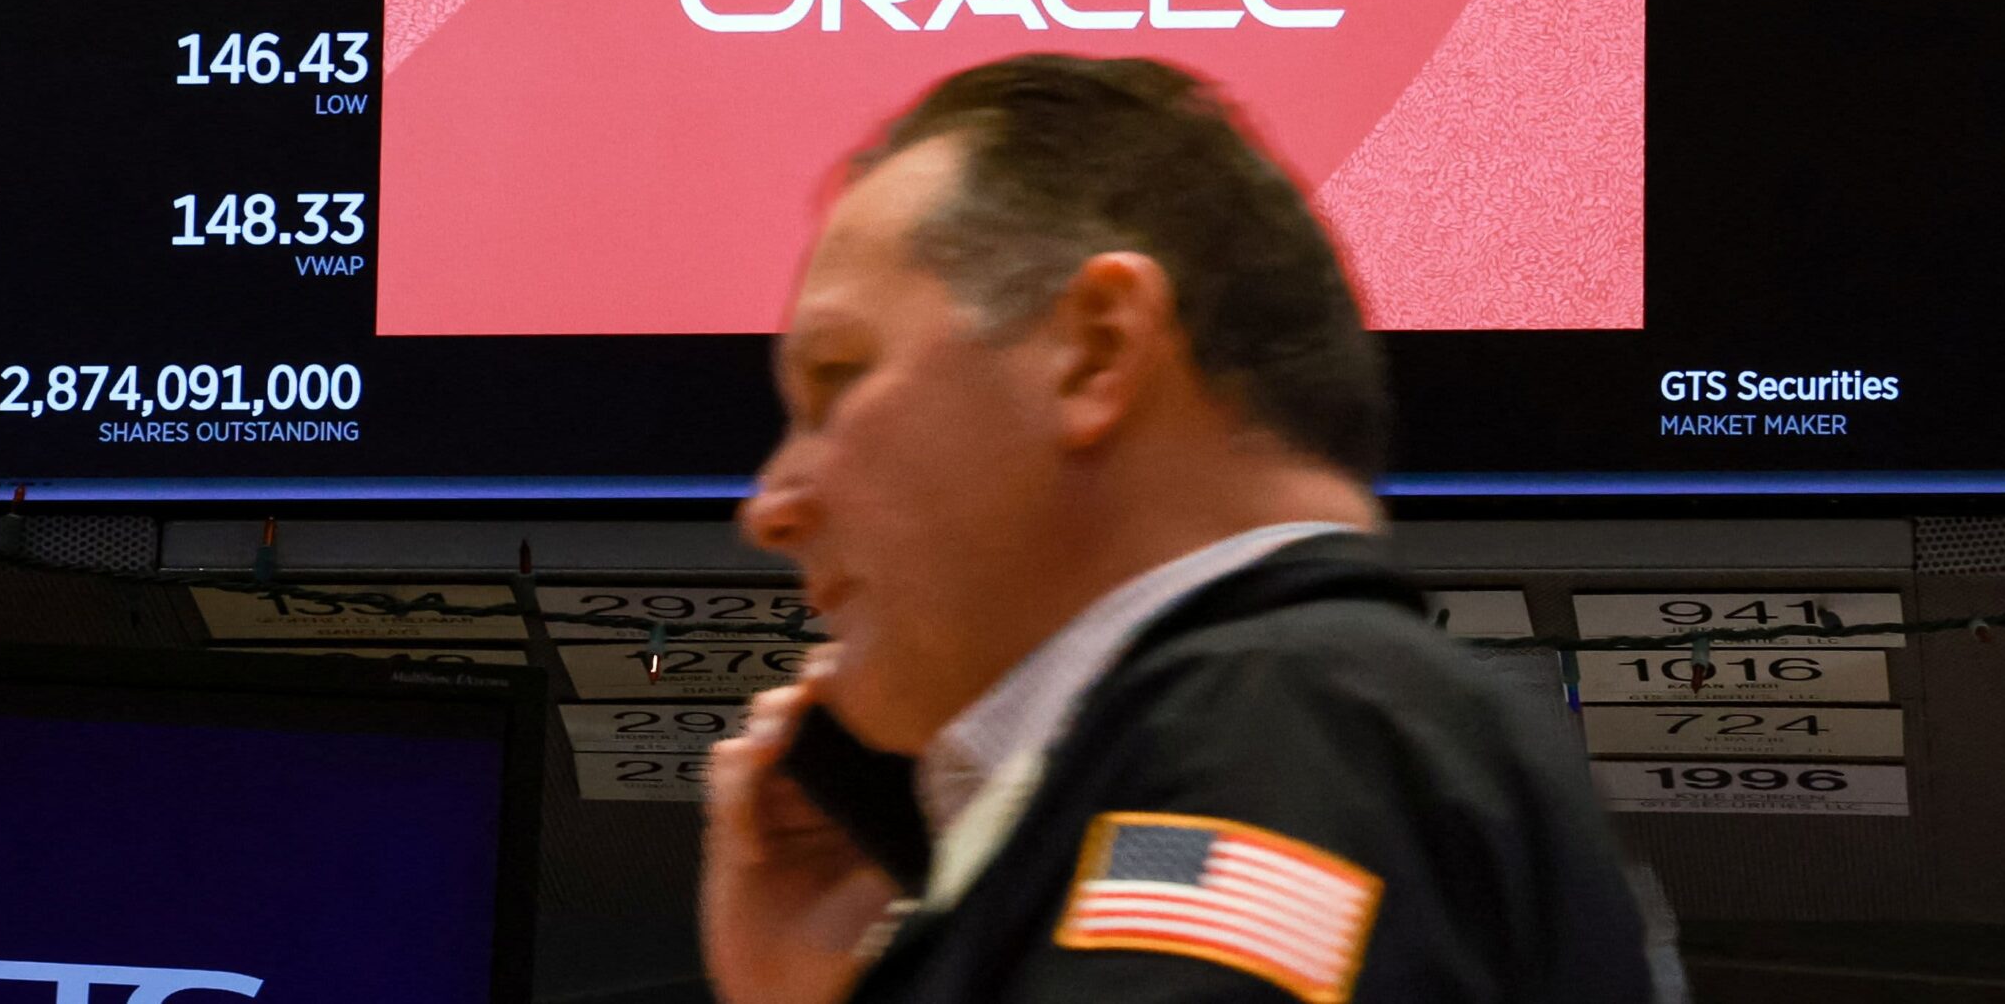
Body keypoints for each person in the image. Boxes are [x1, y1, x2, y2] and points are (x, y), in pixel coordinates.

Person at [704, 55, 1649, 1004]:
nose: (772, 508)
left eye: (837, 378)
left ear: (1097, 352)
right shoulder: (1272, 732)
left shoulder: (1276, 725)